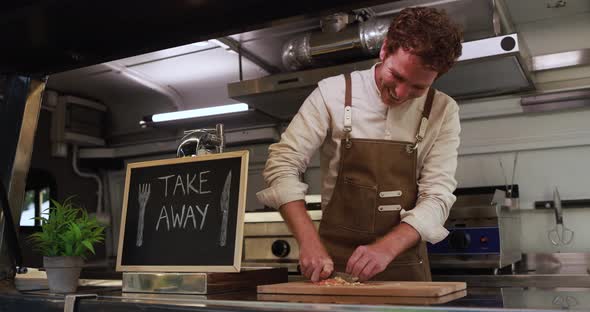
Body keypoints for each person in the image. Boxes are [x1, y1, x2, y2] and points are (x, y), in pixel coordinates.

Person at [257, 7, 463, 282]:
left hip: (405, 266)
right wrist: (308, 239)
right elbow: (282, 164)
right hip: (332, 265)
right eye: (397, 76)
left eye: (417, 88)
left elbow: (437, 195)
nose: (401, 94)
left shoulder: (443, 110)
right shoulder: (332, 93)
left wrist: (387, 247)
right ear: (385, 49)